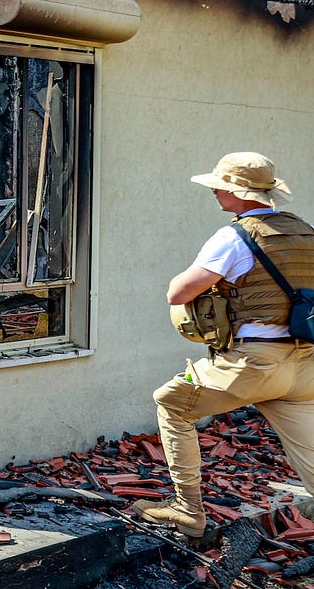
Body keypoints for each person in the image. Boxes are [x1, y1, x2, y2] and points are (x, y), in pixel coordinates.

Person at [134, 152, 314, 538]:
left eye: (221, 186)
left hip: (254, 363)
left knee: (172, 403)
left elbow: (178, 293)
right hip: (305, 364)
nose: (215, 192)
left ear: (239, 192)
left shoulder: (235, 236)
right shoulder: (304, 232)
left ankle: (187, 509)